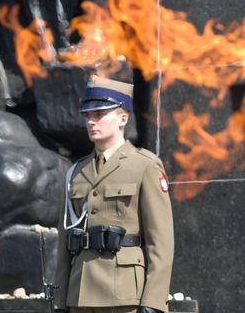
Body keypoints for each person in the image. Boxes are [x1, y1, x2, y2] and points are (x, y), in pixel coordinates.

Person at [54, 75, 174, 313]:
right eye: (88, 116)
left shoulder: (144, 166)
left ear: (123, 118)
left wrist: (153, 302)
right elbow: (64, 243)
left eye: (99, 115)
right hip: (80, 295)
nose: (91, 122)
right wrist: (60, 301)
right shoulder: (76, 172)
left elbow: (161, 243)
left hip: (124, 296)